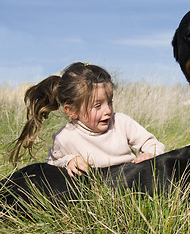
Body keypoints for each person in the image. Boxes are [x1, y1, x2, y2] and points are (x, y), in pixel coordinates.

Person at [10, 62, 165, 177]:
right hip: (93, 190)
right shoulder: (65, 137)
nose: (108, 110)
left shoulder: (121, 122)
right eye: (97, 106)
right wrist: (69, 161)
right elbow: (50, 166)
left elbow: (152, 143)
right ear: (71, 111)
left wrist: (150, 153)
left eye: (110, 102)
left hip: (128, 180)